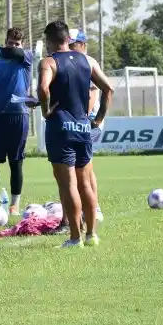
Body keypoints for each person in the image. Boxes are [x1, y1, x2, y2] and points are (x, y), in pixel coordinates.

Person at [37, 21, 113, 248]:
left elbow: (42, 89)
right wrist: (98, 119)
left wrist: (45, 110)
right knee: (86, 184)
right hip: (83, 128)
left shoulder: (48, 62)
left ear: (50, 40)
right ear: (68, 39)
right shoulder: (88, 61)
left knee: (67, 183)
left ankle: (74, 238)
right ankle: (91, 235)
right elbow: (108, 89)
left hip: (61, 128)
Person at [0, 28, 33, 215]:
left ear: (22, 45)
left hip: (19, 116)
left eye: (17, 43)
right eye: (10, 43)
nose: (13, 46)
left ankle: (14, 205)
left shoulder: (26, 58)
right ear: (6, 41)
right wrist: (0, 103)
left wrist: (0, 49)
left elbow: (16, 53)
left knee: (16, 162)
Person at [69, 29, 106, 222]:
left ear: (82, 45)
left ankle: (93, 208)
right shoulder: (73, 61)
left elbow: (92, 94)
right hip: (80, 121)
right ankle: (90, 208)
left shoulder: (87, 63)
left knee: (83, 167)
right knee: (82, 166)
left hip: (88, 122)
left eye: (73, 45)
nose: (69, 48)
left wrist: (82, 118)